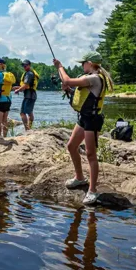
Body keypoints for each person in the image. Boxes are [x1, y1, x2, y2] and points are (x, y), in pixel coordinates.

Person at [52, 52, 114, 206]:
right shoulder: (89, 76)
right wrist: (67, 88)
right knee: (71, 146)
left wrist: (60, 67)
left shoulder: (94, 78)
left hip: (93, 120)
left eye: (83, 63)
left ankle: (92, 190)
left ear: (91, 63)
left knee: (90, 154)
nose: (81, 65)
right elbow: (70, 85)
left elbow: (67, 79)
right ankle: (80, 178)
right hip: (84, 118)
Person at [0, 58, 16, 141]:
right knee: (4, 120)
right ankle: (5, 137)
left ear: (1, 65)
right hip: (8, 100)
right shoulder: (9, 75)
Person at [13, 59, 39, 131]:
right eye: (23, 66)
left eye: (26, 65)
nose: (24, 67)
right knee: (29, 112)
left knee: (22, 113)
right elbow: (27, 86)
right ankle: (29, 128)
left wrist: (18, 90)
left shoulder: (29, 74)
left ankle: (27, 129)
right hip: (31, 95)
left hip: (29, 96)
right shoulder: (30, 73)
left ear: (29, 65)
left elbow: (26, 85)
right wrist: (18, 87)